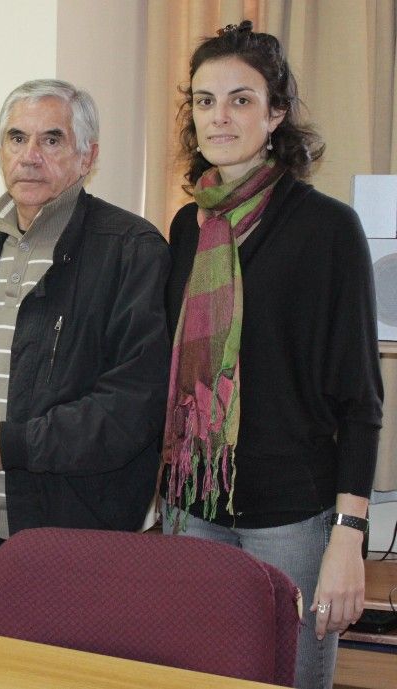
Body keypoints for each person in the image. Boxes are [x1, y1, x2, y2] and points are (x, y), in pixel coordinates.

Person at [161, 21, 383, 689]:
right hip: (195, 506)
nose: (219, 117)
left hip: (293, 518)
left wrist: (347, 536)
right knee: (200, 678)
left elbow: (360, 397)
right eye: (205, 101)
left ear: (276, 113)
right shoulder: (188, 226)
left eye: (241, 99)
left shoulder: (327, 227)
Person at [0, 79, 171, 629]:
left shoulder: (131, 249)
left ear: (88, 156)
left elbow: (132, 407)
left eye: (51, 140)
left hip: (74, 532)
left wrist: (13, 445)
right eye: (17, 138)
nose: (29, 156)